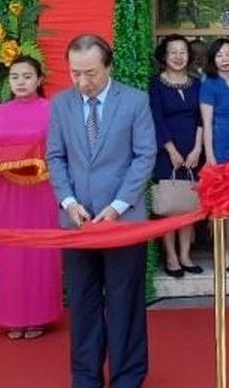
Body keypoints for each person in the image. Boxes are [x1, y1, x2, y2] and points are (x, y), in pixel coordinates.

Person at [48, 34, 156, 388]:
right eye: (75, 73)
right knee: (82, 301)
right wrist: (68, 202)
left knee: (125, 300)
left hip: (123, 220)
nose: (82, 82)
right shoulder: (61, 104)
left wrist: (117, 205)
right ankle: (85, 376)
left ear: (108, 66)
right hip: (76, 221)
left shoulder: (135, 102)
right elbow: (56, 157)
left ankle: (127, 375)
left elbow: (144, 156)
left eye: (90, 73)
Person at [0, 56, 62, 339]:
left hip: (42, 190)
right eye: (15, 76)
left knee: (40, 251)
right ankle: (12, 317)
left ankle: (39, 316)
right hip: (8, 192)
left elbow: (59, 150)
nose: (20, 81)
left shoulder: (52, 109)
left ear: (40, 80)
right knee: (10, 252)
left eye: (27, 76)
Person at [149, 34, 204, 277]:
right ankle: (171, 257)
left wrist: (197, 149)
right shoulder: (156, 84)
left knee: (189, 204)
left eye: (183, 52)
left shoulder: (197, 83)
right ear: (164, 55)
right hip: (166, 151)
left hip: (193, 151)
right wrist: (170, 150)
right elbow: (156, 119)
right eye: (173, 52)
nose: (179, 56)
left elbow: (203, 119)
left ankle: (185, 255)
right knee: (169, 204)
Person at [200, 38, 229, 272]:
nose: (225, 59)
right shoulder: (209, 84)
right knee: (220, 205)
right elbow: (206, 123)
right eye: (219, 55)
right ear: (213, 59)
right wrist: (210, 157)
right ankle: (222, 254)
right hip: (220, 145)